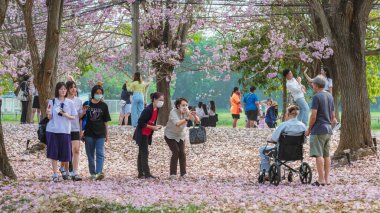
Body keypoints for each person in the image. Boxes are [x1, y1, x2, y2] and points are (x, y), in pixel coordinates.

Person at [259, 105, 306, 179]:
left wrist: (269, 139)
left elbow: (274, 139)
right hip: (297, 152)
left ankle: (267, 172)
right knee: (280, 148)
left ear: (288, 114)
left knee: (262, 149)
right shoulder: (303, 126)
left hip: (282, 152)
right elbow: (304, 141)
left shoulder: (284, 125)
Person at [306, 75, 335, 186]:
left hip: (318, 129)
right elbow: (333, 116)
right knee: (326, 155)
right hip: (328, 129)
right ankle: (326, 180)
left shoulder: (316, 97)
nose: (312, 85)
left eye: (313, 84)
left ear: (317, 85)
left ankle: (321, 179)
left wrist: (309, 129)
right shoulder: (330, 96)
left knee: (318, 155)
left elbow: (313, 116)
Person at [46, 82, 77, 182]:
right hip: (53, 130)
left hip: (65, 130)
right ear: (57, 90)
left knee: (65, 153)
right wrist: (48, 113)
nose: (63, 91)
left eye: (64, 89)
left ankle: (63, 168)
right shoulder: (52, 102)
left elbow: (74, 117)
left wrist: (66, 115)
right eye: (61, 89)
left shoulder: (70, 103)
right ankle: (55, 174)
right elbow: (50, 117)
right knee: (54, 152)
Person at [164, 98, 200, 179]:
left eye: (186, 105)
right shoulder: (173, 112)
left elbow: (197, 122)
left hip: (181, 135)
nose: (185, 107)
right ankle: (172, 174)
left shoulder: (187, 112)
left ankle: (183, 173)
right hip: (170, 135)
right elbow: (177, 124)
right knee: (176, 151)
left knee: (182, 153)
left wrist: (194, 116)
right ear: (178, 106)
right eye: (183, 105)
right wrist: (187, 118)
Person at [82, 84, 111, 181]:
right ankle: (92, 172)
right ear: (93, 93)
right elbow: (82, 118)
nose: (99, 95)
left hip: (100, 133)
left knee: (100, 153)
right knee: (90, 154)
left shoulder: (104, 105)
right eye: (97, 93)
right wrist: (81, 131)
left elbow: (106, 121)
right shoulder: (87, 104)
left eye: (100, 93)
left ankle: (99, 172)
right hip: (89, 133)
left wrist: (107, 134)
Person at [133, 92, 164, 179]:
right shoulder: (148, 110)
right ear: (154, 99)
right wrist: (152, 127)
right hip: (142, 133)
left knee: (141, 153)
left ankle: (140, 173)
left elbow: (152, 121)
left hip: (148, 133)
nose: (162, 102)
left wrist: (155, 126)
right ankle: (147, 174)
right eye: (160, 100)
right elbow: (140, 123)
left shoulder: (157, 109)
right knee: (144, 153)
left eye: (163, 100)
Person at [63, 81, 83, 181]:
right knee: (67, 151)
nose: (73, 89)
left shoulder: (79, 101)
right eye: (71, 87)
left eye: (75, 87)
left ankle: (75, 172)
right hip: (65, 129)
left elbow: (79, 117)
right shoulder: (64, 101)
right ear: (67, 89)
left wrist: (81, 129)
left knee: (76, 150)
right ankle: (67, 171)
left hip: (75, 128)